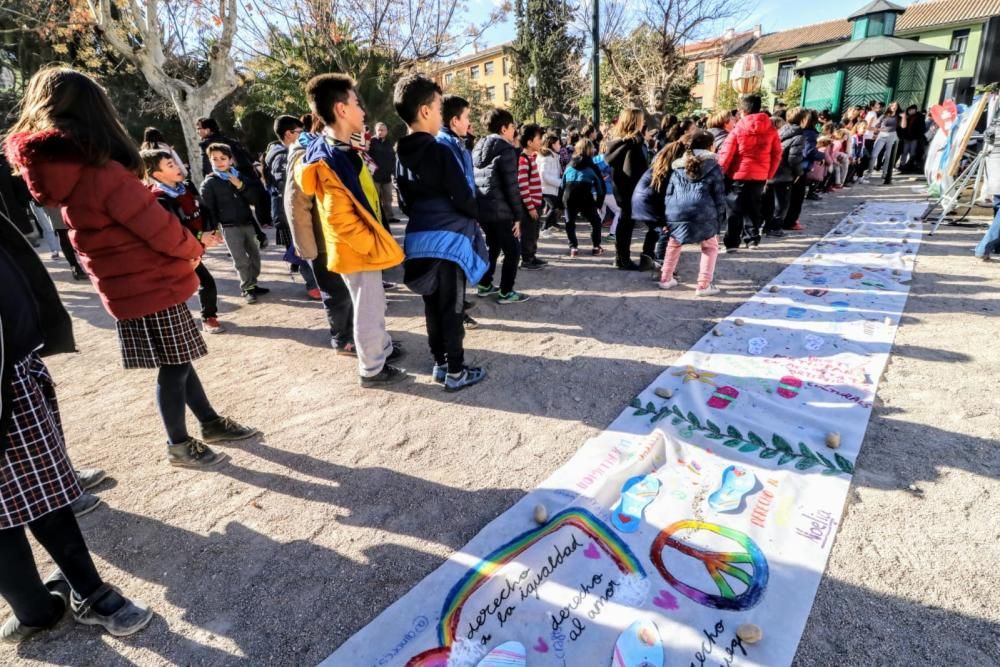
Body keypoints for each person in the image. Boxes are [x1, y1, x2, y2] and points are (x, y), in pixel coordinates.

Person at [6, 67, 258, 468]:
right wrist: (191, 249)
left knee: (178, 359)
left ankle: (208, 421)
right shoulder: (102, 173)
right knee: (175, 365)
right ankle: (178, 443)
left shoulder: (69, 175)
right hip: (152, 282)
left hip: (130, 287)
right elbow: (158, 228)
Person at [0, 210, 153, 642]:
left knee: (27, 503)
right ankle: (92, 595)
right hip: (8, 381)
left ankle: (37, 610)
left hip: (9, 374)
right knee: (43, 497)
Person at [297, 73, 408, 386]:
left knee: (375, 303)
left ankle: (381, 348)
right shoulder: (330, 158)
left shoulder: (343, 148)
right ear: (341, 109)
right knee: (368, 308)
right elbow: (338, 217)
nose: (363, 111)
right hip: (357, 249)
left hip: (362, 245)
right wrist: (371, 244)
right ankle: (372, 368)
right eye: (357, 104)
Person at [393, 73, 489, 391]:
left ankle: (440, 364)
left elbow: (405, 203)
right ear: (424, 111)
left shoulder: (399, 156)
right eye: (437, 107)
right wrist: (481, 216)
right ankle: (457, 371)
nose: (439, 115)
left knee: (432, 306)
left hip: (418, 238)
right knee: (453, 308)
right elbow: (462, 196)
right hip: (449, 241)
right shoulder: (440, 150)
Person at [285, 116, 358, 354]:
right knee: (336, 293)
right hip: (323, 239)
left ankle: (356, 335)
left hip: (344, 235)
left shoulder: (338, 147)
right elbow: (296, 203)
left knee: (350, 292)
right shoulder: (304, 151)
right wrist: (306, 247)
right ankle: (342, 339)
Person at [143, 149, 226, 334]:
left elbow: (202, 210)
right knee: (180, 288)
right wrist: (198, 236)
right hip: (174, 252)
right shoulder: (158, 198)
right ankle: (190, 323)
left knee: (205, 282)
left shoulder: (186, 187)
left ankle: (208, 316)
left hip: (191, 248)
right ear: (157, 174)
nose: (178, 168)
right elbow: (174, 229)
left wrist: (210, 230)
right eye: (170, 165)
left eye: (176, 163)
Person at [658, 131, 726, 296]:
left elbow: (669, 194)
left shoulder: (677, 166)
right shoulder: (714, 166)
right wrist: (720, 221)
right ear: (711, 146)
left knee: (673, 244)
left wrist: (667, 217)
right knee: (710, 247)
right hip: (704, 212)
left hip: (676, 211)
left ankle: (666, 279)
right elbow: (719, 196)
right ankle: (703, 285)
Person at [199, 143, 269, 303]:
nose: (219, 162)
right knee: (241, 260)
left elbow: (254, 199)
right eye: (214, 159)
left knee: (255, 257)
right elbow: (209, 210)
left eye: (223, 158)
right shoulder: (209, 183)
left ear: (231, 160)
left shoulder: (240, 177)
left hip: (248, 224)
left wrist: (241, 186)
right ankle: (247, 288)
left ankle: (253, 283)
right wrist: (213, 229)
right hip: (229, 227)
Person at [473, 108, 530, 303]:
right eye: (513, 126)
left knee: (494, 246)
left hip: (483, 210)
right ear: (504, 128)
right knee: (513, 251)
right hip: (501, 211)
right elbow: (512, 187)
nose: (514, 130)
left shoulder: (478, 147)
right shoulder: (505, 149)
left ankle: (485, 283)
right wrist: (518, 216)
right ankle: (506, 292)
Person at [435, 95, 482, 330]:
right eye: (467, 118)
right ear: (454, 121)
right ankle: (455, 317)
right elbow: (456, 188)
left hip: (463, 217)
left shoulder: (457, 143)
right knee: (453, 272)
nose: (469, 123)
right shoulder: (446, 145)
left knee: (461, 269)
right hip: (455, 221)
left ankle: (459, 307)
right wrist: (473, 211)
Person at [718, 94, 783, 249]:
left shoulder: (738, 128)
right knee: (754, 207)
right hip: (760, 175)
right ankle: (752, 239)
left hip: (738, 174)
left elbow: (727, 154)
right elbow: (777, 154)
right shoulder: (771, 129)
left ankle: (732, 242)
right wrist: (769, 174)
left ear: (743, 110)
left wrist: (720, 172)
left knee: (734, 208)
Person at [264, 115, 319, 299]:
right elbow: (286, 186)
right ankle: (312, 286)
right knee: (300, 249)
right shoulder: (281, 156)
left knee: (301, 247)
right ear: (288, 134)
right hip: (286, 213)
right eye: (299, 132)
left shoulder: (288, 152)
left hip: (291, 211)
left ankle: (314, 283)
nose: (302, 135)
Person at [195, 117, 271, 228]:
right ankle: (265, 222)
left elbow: (207, 165)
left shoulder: (208, 144)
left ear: (207, 129)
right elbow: (246, 156)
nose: (198, 131)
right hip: (247, 172)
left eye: (199, 128)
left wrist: (208, 177)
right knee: (252, 198)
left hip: (226, 176)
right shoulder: (230, 140)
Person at [605, 107, 650, 270]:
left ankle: (621, 257)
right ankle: (623, 258)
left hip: (622, 187)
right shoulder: (633, 143)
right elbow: (633, 169)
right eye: (641, 119)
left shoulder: (621, 141)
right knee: (626, 224)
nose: (643, 122)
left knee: (625, 223)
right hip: (630, 187)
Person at [560, 138, 606, 257]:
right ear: (590, 150)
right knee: (595, 221)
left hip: (569, 196)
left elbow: (562, 184)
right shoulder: (592, 165)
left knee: (570, 223)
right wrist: (599, 203)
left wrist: (560, 203)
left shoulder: (570, 164)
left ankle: (573, 248)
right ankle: (596, 247)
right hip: (585, 197)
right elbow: (600, 186)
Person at [631, 142, 672, 266]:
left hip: (641, 201)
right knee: (664, 230)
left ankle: (647, 255)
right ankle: (660, 261)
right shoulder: (664, 170)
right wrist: (664, 219)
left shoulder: (657, 166)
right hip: (647, 202)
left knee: (654, 230)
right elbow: (660, 196)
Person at [767, 116, 805, 238]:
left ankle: (767, 226)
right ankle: (775, 228)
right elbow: (794, 158)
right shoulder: (798, 137)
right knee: (781, 204)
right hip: (785, 174)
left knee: (769, 202)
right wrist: (799, 173)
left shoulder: (776, 135)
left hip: (771, 172)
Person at [516, 123, 546, 270]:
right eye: (539, 138)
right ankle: (526, 259)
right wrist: (530, 207)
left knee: (534, 233)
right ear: (529, 142)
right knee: (528, 234)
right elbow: (523, 187)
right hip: (530, 206)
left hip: (536, 203)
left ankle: (532, 256)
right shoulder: (523, 160)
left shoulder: (532, 158)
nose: (541, 141)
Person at [369, 122, 399, 222]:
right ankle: (376, 217)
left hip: (386, 176)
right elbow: (366, 157)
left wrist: (393, 172)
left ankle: (389, 217)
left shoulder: (389, 143)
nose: (381, 132)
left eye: (383, 130)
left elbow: (392, 158)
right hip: (374, 176)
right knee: (375, 199)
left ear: (386, 131)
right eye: (379, 130)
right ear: (376, 131)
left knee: (388, 199)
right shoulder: (371, 142)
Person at [536, 132, 564, 236]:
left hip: (551, 187)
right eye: (558, 144)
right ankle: (544, 228)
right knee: (554, 207)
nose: (560, 145)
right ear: (552, 145)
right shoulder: (547, 157)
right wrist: (560, 182)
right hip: (546, 188)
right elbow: (544, 175)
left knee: (557, 207)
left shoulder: (552, 156)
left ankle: (548, 226)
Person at [867, 101, 900, 182]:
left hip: (892, 135)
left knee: (888, 156)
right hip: (881, 135)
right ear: (890, 106)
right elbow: (876, 124)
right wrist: (876, 131)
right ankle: (870, 171)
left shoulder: (898, 116)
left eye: (896, 106)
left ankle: (885, 173)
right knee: (874, 154)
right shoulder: (884, 115)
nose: (894, 107)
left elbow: (902, 126)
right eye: (893, 105)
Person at [897, 105, 926, 173]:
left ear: (915, 110)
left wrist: (918, 136)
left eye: (912, 110)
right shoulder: (907, 117)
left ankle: (910, 166)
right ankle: (902, 165)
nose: (910, 111)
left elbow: (922, 128)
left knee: (912, 153)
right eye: (909, 110)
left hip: (914, 138)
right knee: (904, 152)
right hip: (906, 138)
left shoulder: (919, 117)